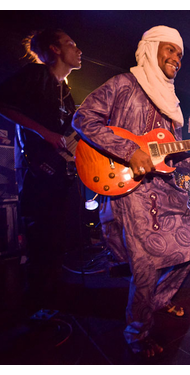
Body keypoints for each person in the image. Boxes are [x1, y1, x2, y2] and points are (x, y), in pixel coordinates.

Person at [72, 26, 190, 359]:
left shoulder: (172, 105)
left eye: (180, 54)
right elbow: (83, 118)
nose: (176, 59)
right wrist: (130, 151)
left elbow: (176, 161)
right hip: (132, 191)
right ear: (151, 49)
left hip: (165, 191)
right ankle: (136, 333)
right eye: (169, 50)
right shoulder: (125, 84)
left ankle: (157, 302)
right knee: (145, 268)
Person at [0, 29, 83, 311]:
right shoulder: (36, 74)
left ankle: (52, 300)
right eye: (71, 44)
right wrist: (44, 133)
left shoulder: (67, 92)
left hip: (60, 174)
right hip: (38, 172)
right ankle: (34, 310)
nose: (79, 49)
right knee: (40, 243)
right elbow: (3, 104)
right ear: (55, 49)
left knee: (57, 239)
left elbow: (69, 136)